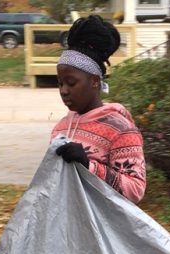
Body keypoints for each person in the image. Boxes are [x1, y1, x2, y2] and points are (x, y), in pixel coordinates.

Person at [51, 15, 146, 203]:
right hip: (67, 227)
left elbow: (136, 189)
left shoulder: (120, 130)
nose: (63, 91)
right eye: (60, 83)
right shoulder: (60, 129)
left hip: (104, 230)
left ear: (94, 81)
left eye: (71, 83)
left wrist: (89, 165)